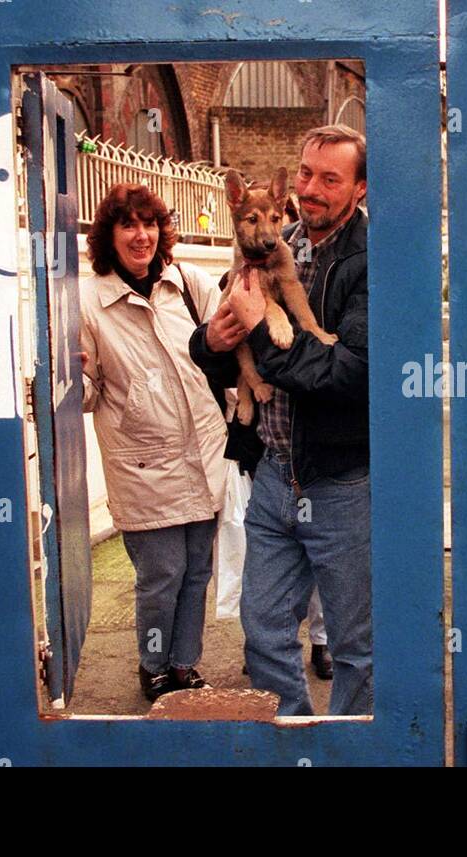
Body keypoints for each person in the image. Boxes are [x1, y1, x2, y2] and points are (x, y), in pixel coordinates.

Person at [190, 125, 369, 716]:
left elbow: (347, 372)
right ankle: (295, 743)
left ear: (359, 188)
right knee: (264, 634)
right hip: (272, 474)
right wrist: (211, 341)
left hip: (341, 480)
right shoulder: (278, 242)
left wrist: (267, 339)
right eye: (306, 174)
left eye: (330, 179)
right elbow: (219, 337)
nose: (311, 189)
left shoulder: (373, 262)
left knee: (354, 645)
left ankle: (352, 752)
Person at [79, 183, 229, 702]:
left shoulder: (188, 283)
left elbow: (228, 345)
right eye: (128, 225)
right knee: (160, 575)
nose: (141, 235)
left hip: (205, 452)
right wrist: (69, 377)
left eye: (149, 223)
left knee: (197, 571)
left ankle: (185, 664)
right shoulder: (89, 302)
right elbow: (84, 393)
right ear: (110, 235)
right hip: (143, 464)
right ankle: (153, 664)